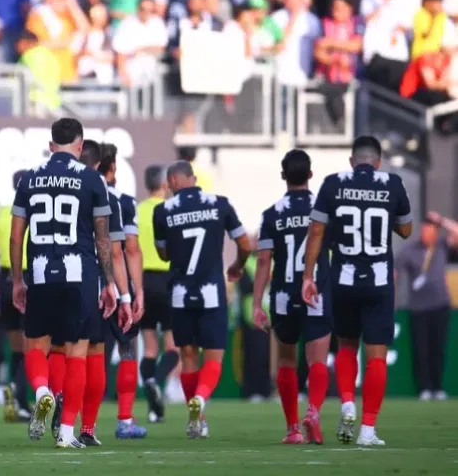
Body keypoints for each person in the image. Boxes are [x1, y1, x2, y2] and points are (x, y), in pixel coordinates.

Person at [11, 118, 119, 449]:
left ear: (50, 145)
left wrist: (17, 280)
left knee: (36, 345)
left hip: (41, 271)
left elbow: (16, 236)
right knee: (77, 353)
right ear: (79, 145)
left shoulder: (29, 178)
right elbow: (103, 237)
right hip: (80, 273)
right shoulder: (92, 179)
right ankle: (67, 432)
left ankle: (42, 391)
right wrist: (109, 282)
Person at [303, 136, 413, 446]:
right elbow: (406, 230)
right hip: (379, 281)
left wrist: (308, 275)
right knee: (376, 353)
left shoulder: (332, 183)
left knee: (346, 345)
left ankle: (348, 403)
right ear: (378, 162)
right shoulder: (393, 183)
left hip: (343, 279)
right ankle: (367, 429)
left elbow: (316, 230)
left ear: (352, 161)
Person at [152, 160, 250, 439]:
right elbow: (245, 244)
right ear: (193, 179)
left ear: (172, 182)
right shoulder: (219, 204)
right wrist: (238, 265)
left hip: (181, 293)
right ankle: (201, 399)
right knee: (214, 356)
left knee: (188, 355)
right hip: (211, 292)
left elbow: (163, 254)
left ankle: (197, 420)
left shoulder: (163, 210)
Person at [49, 139, 133, 447]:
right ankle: (86, 426)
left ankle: (57, 394)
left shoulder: (48, 186)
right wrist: (123, 294)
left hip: (53, 276)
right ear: (97, 164)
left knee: (59, 347)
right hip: (91, 281)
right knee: (93, 351)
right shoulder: (105, 194)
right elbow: (116, 251)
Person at [252, 150, 332, 445]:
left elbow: (263, 260)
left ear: (283, 176)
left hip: (284, 295)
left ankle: (293, 429)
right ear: (310, 175)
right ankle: (313, 412)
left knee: (286, 360)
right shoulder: (324, 209)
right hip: (315, 292)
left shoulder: (271, 214)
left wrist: (256, 303)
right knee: (317, 360)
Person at [98, 143, 146, 440]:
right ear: (113, 168)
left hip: (86, 284)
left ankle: (74, 422)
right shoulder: (123, 202)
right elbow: (130, 249)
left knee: (85, 354)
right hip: (116, 285)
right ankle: (125, 419)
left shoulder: (80, 195)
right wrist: (135, 291)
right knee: (127, 349)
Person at [395, 211, 458, 401]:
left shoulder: (442, 247)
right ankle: (424, 388)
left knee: (438, 349)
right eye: (423, 230)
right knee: (420, 349)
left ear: (435, 233)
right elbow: (395, 270)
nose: (425, 234)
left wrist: (442, 220)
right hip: (418, 308)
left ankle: (437, 387)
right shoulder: (410, 250)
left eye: (429, 230)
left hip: (440, 305)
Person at [0, 170, 32, 423]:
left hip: (4, 281)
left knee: (16, 346)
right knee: (33, 346)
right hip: (27, 278)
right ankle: (21, 398)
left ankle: (14, 396)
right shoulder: (35, 212)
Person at [136, 164, 181, 422]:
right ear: (166, 184)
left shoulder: (137, 211)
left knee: (150, 347)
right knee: (172, 346)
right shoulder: (171, 210)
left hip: (144, 281)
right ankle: (156, 381)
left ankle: (154, 409)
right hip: (168, 279)